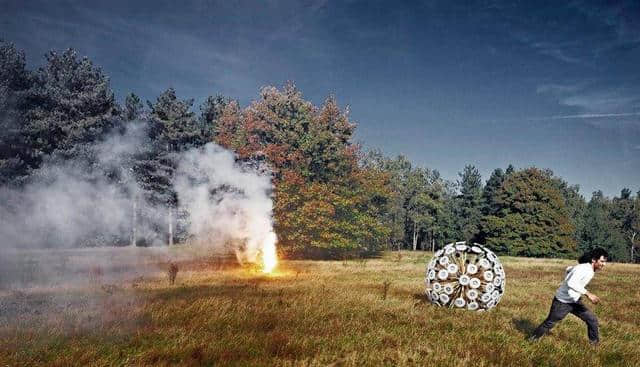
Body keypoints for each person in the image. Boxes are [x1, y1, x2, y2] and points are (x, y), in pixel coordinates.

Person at [529, 248, 609, 345]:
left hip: (574, 301)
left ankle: (594, 345)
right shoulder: (584, 269)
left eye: (605, 262)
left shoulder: (587, 269)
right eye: (602, 261)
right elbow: (571, 282)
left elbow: (568, 269)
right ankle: (531, 340)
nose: (604, 264)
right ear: (593, 260)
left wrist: (570, 272)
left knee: (592, 319)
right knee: (549, 323)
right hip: (562, 303)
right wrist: (588, 294)